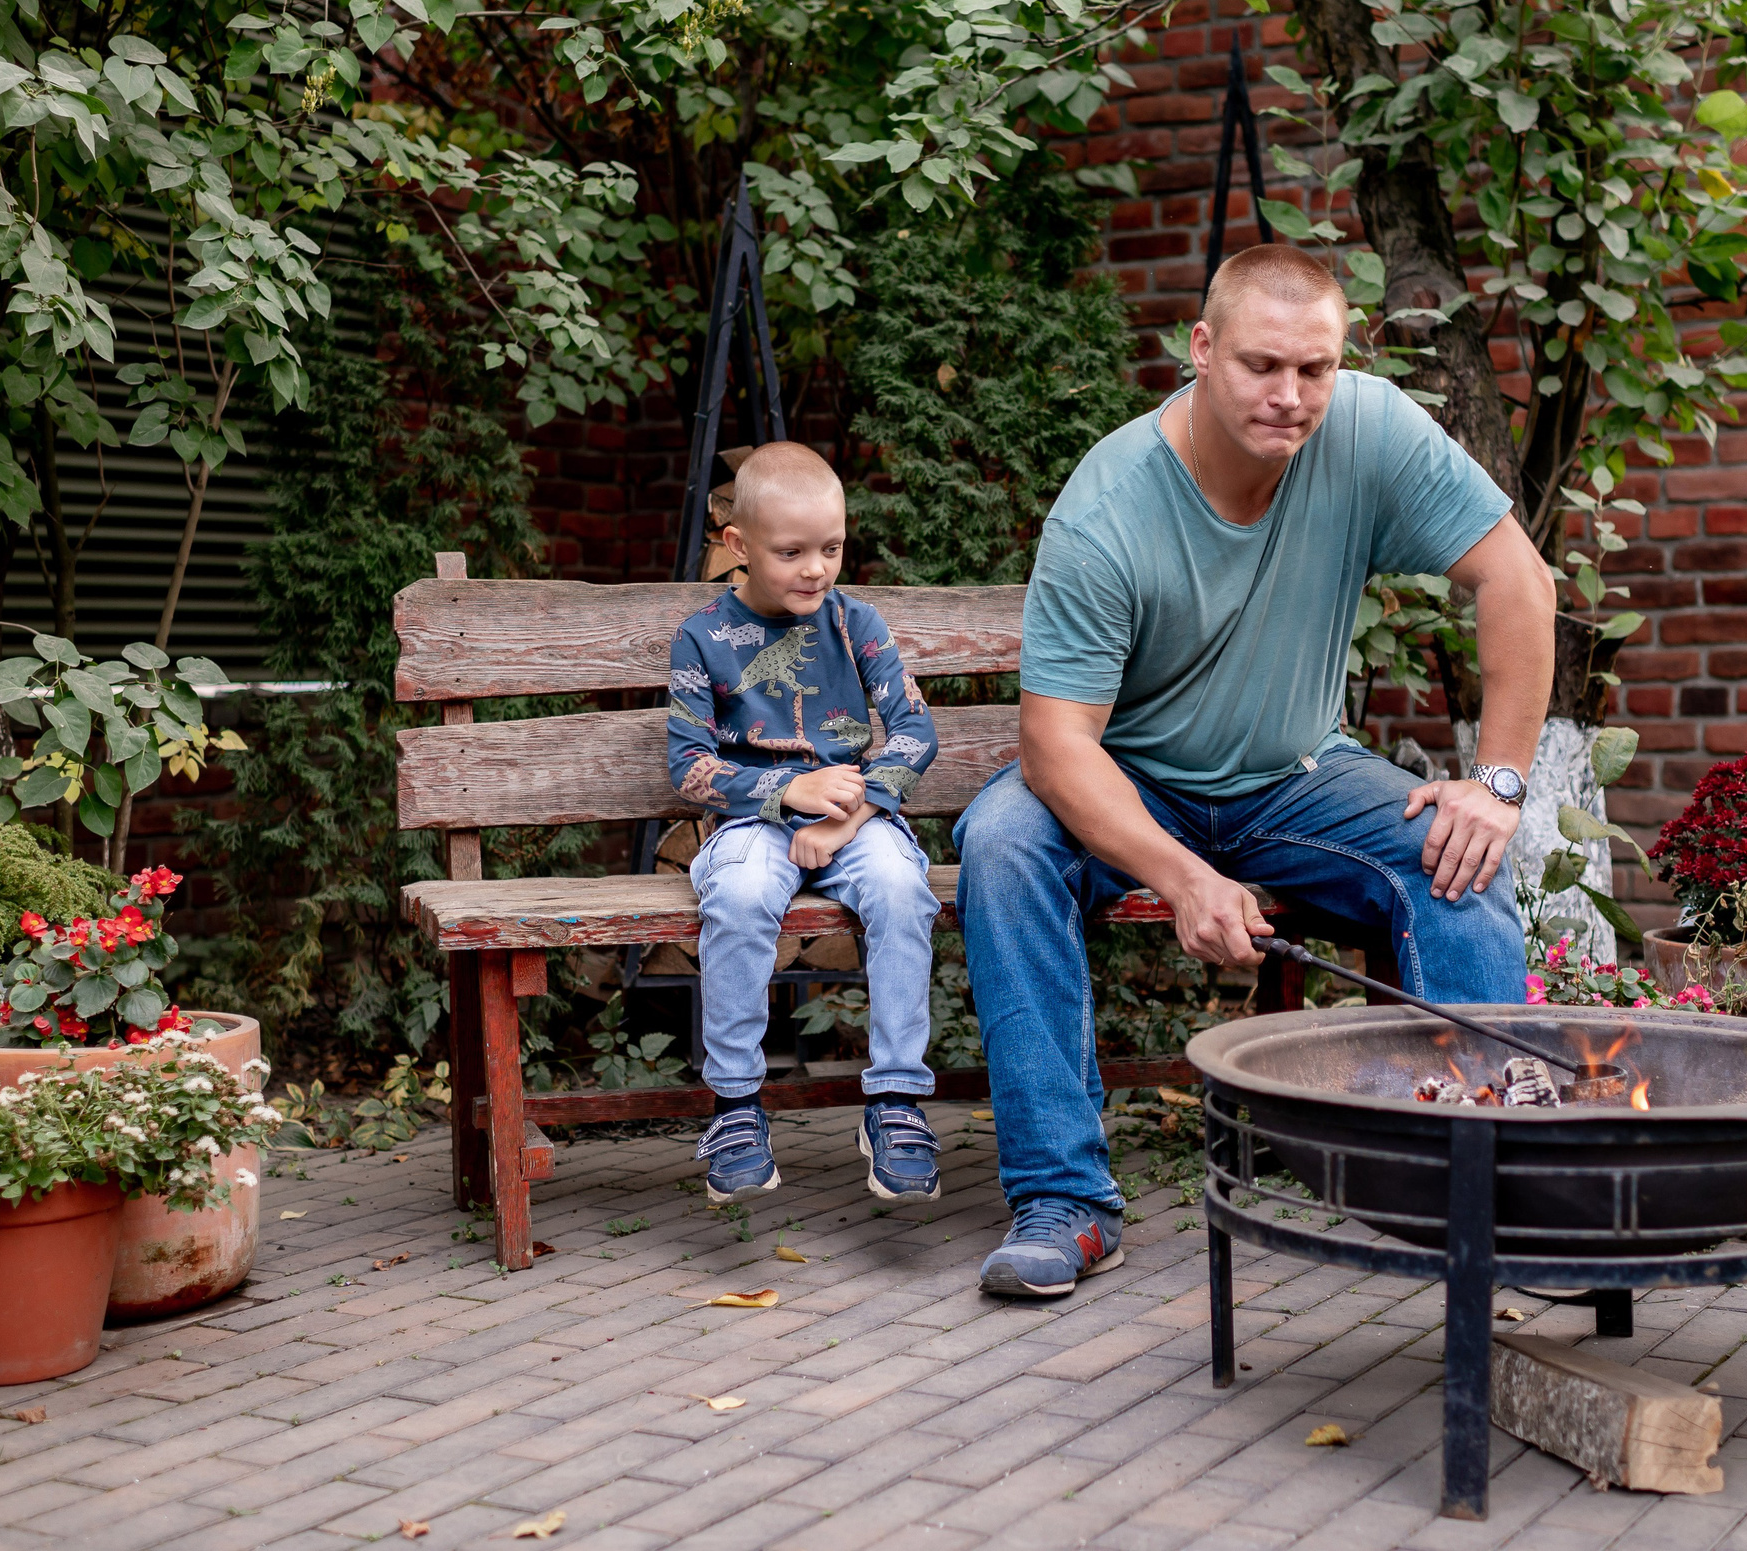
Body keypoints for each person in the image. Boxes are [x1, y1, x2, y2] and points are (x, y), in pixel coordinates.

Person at [957, 243, 1558, 1296]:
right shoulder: (1110, 506)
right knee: (1003, 842)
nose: (1290, 395)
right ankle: (1064, 1200)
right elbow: (1055, 746)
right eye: (1261, 365)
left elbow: (1517, 574)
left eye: (1314, 369)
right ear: (1201, 349)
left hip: (1294, 775)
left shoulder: (1367, 429)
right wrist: (1183, 875)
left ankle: (1486, 1188)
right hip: (1130, 779)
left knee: (1456, 851)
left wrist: (1499, 782)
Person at [666, 441, 947, 1205]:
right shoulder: (703, 637)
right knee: (738, 895)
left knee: (900, 886)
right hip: (753, 820)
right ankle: (734, 1106)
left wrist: (848, 817)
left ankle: (895, 1100)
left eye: (831, 547)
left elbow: (916, 732)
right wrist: (791, 789)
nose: (816, 569)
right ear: (739, 545)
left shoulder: (857, 623)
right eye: (791, 552)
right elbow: (689, 767)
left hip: (857, 815)